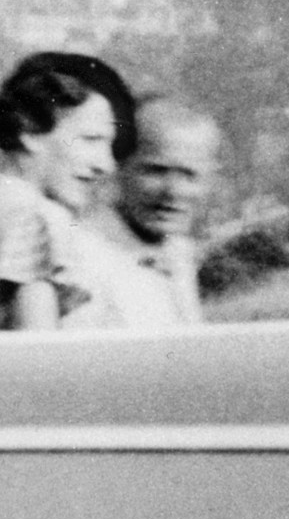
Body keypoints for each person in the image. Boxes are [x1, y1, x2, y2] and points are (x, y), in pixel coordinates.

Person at [0, 52, 137, 331]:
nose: (107, 165)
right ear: (29, 130)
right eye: (91, 139)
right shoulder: (35, 215)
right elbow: (39, 356)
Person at [73, 97, 219, 327]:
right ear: (118, 166)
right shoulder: (82, 256)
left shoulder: (178, 252)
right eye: (156, 171)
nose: (173, 191)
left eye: (190, 175)